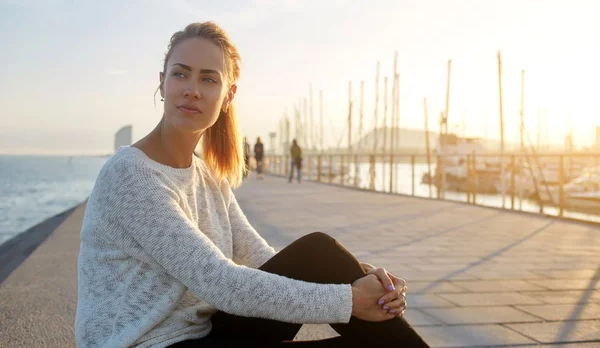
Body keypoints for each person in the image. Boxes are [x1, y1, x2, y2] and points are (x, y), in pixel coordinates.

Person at [75, 22, 429, 347]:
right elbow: (221, 283)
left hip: (205, 337)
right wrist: (350, 299)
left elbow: (264, 261)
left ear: (228, 96)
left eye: (209, 79)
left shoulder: (207, 176)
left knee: (322, 255)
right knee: (324, 260)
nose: (192, 90)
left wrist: (356, 277)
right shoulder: (131, 175)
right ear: (162, 83)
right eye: (181, 74)